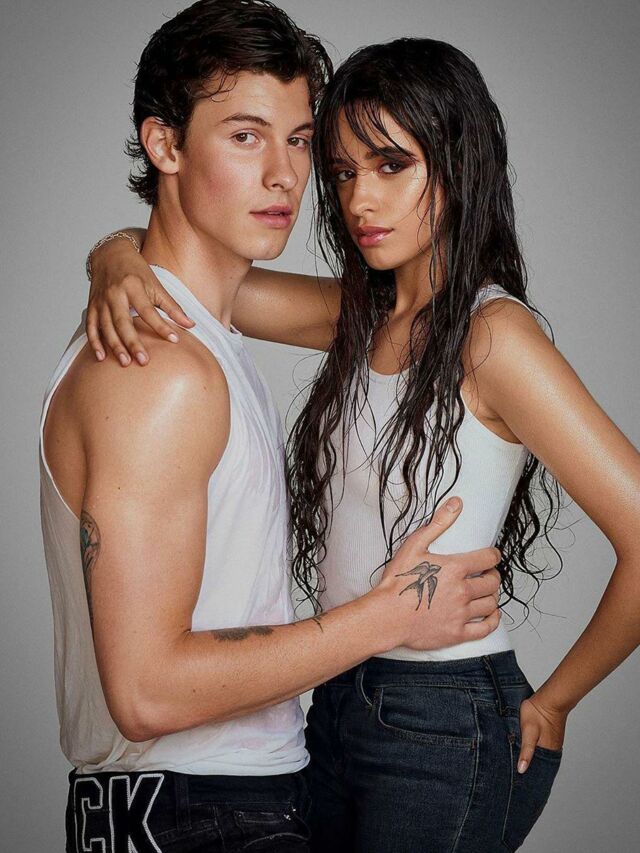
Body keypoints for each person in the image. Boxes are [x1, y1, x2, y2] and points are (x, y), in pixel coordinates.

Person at [85, 35, 640, 853]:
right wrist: (110, 258)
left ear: (457, 164)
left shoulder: (493, 337)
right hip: (336, 699)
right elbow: (195, 279)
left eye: (391, 166)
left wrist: (555, 702)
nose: (359, 200)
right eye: (343, 173)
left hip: (444, 714)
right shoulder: (361, 317)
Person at [41, 7, 507, 852]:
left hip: (196, 805)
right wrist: (390, 616)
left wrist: (112, 251)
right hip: (200, 812)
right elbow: (146, 691)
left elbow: (414, 315)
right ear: (164, 144)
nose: (285, 175)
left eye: (299, 142)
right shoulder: (162, 373)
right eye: (246, 136)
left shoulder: (197, 333)